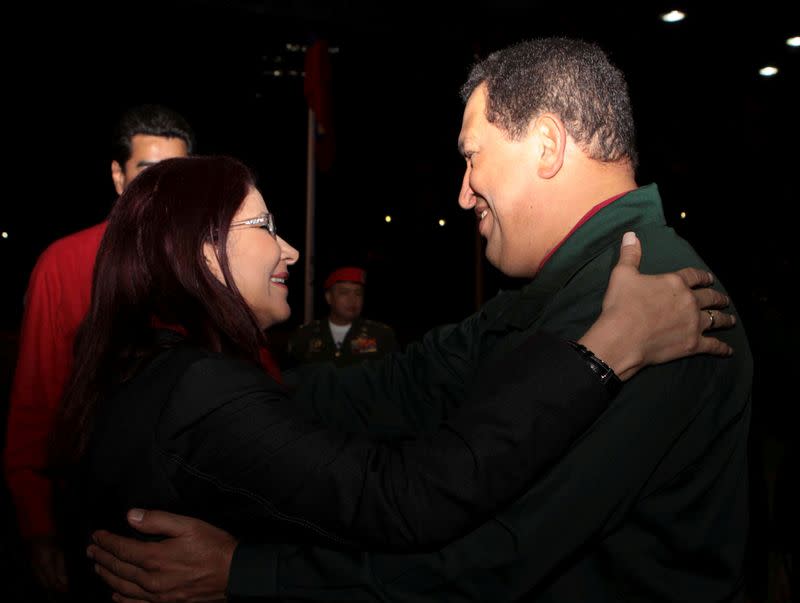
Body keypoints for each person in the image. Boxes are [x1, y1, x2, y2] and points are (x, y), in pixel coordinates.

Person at [88, 38, 752, 603]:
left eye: (471, 156)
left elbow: (494, 556)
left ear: (547, 146)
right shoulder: (562, 286)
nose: (463, 193)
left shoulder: (656, 299)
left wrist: (248, 569)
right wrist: (233, 409)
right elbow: (408, 385)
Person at [2, 103, 194, 596]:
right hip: (94, 517)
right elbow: (35, 403)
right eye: (146, 173)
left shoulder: (209, 267)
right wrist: (38, 529)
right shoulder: (64, 263)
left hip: (196, 511)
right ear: (117, 175)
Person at [287, 266, 398, 367]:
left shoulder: (380, 335)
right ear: (329, 297)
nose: (352, 300)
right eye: (344, 292)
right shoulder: (306, 335)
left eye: (358, 293)